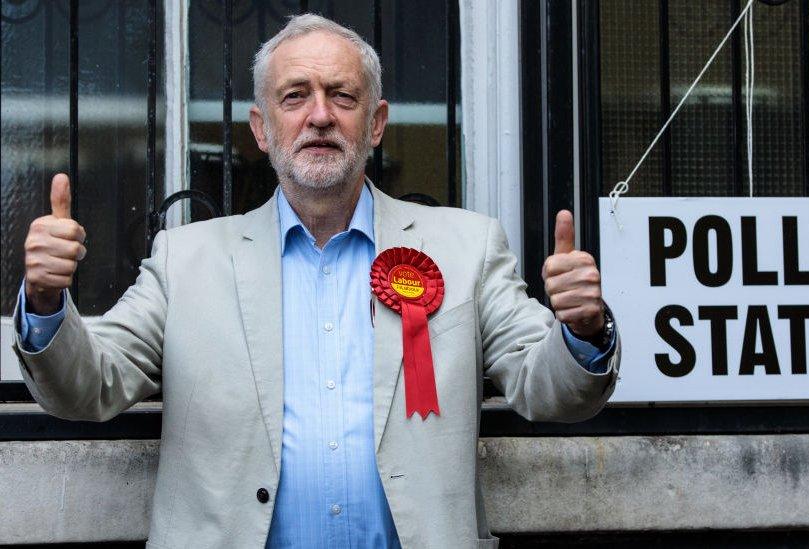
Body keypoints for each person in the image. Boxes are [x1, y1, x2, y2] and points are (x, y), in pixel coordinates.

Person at [13, 14, 619, 549]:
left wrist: (583, 330)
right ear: (261, 127)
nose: (320, 115)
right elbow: (87, 388)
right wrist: (45, 300)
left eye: (343, 96)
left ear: (376, 122)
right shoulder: (184, 260)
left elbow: (552, 393)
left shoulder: (466, 248)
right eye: (295, 96)